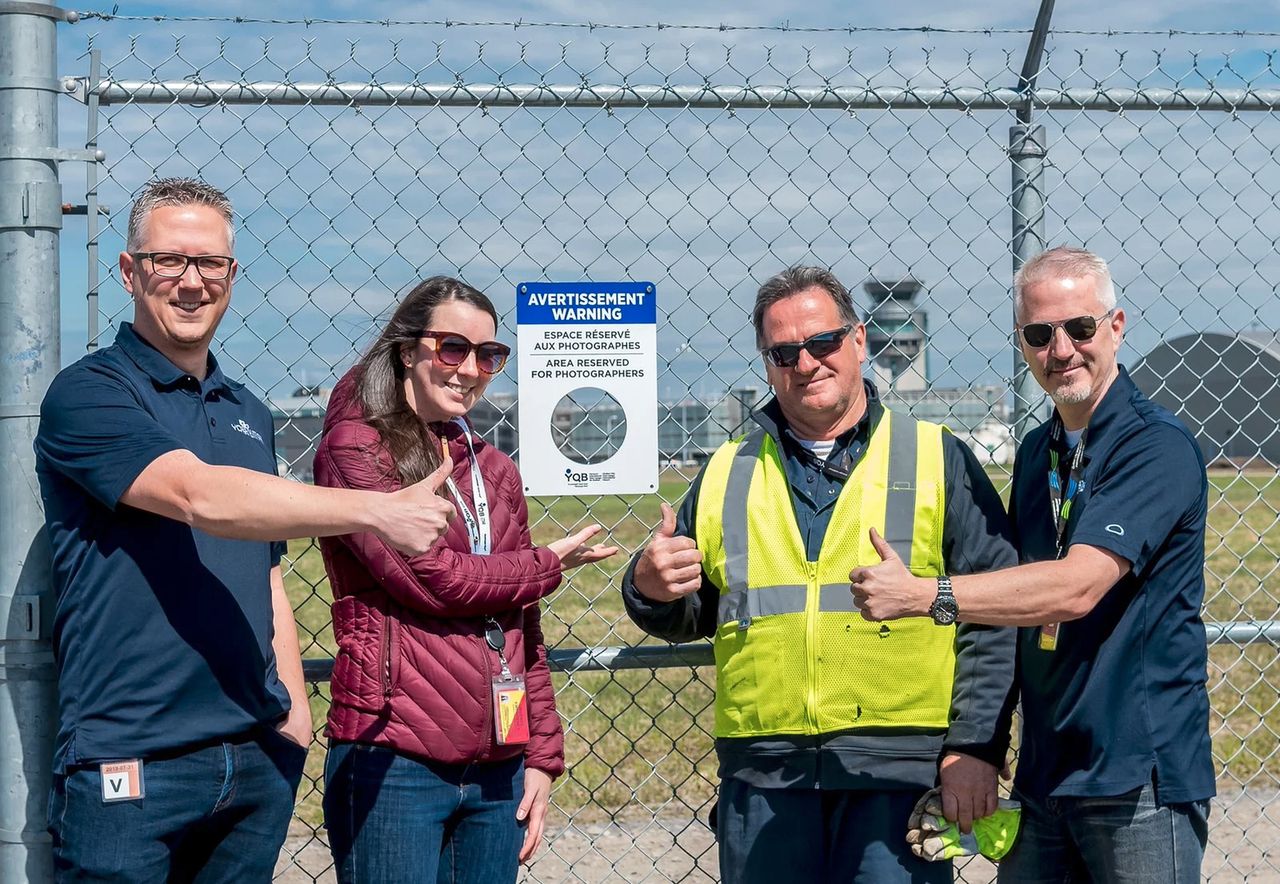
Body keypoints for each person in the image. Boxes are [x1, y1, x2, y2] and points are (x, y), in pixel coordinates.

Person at [34, 177, 458, 883]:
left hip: (253, 754)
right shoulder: (90, 392)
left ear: (232, 276)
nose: (191, 283)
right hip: (130, 759)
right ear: (130, 270)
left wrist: (288, 717)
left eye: (211, 265)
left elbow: (265, 570)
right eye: (170, 261)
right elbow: (198, 496)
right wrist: (377, 509)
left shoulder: (247, 411)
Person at [622, 265, 1018, 884]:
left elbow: (995, 613)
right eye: (783, 352)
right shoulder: (729, 468)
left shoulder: (936, 456)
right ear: (766, 361)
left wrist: (974, 747)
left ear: (859, 340)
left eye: (822, 342)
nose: (805, 364)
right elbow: (696, 608)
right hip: (764, 774)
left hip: (899, 774)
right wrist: (648, 587)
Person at [851, 246, 1215, 882]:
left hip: (1138, 781)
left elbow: (1076, 588)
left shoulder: (1155, 447)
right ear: (1022, 342)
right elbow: (1011, 604)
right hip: (1046, 777)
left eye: (1080, 328)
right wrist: (981, 746)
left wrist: (924, 596)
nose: (1062, 349)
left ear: (1116, 326)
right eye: (1040, 334)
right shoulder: (1034, 455)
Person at [314, 275, 617, 884]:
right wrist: (546, 564)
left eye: (489, 355)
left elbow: (521, 625)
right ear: (407, 350)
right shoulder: (355, 450)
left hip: (497, 764)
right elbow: (430, 580)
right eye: (453, 348)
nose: (471, 369)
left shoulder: (495, 470)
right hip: (393, 750)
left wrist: (540, 756)